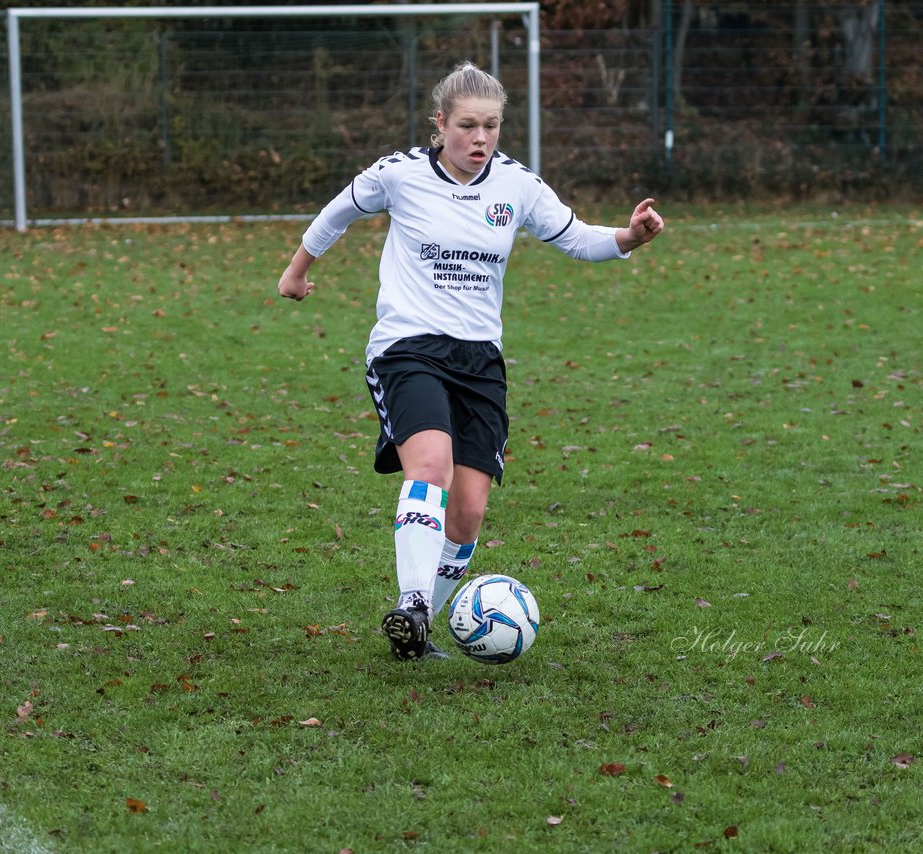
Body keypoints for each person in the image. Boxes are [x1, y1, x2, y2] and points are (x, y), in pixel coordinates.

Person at [278, 61, 664, 661]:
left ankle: (417, 631)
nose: (479, 139)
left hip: (480, 358)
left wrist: (630, 237)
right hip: (408, 346)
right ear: (441, 124)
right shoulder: (401, 175)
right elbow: (339, 211)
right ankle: (411, 604)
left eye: (490, 126)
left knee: (469, 511)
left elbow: (577, 237)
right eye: (466, 126)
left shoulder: (516, 185)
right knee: (429, 466)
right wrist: (297, 270)